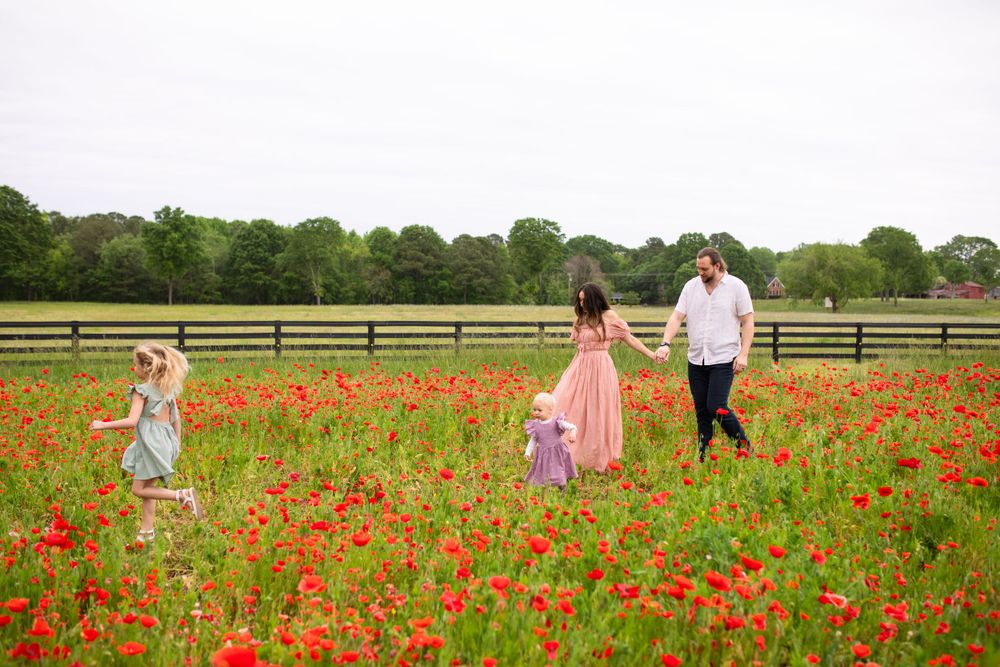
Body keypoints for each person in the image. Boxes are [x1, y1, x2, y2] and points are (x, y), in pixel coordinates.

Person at [90, 342, 203, 544]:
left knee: (138, 489)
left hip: (152, 445)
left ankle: (182, 495)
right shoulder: (167, 389)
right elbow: (176, 419)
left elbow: (132, 421)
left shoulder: (141, 391)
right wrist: (177, 444)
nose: (134, 368)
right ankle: (146, 532)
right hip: (167, 442)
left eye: (135, 364)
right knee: (148, 489)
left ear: (146, 367)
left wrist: (102, 424)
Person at [654, 247, 754, 462]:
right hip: (696, 358)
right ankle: (704, 456)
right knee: (702, 411)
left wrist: (743, 354)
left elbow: (747, 321)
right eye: (698, 268)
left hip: (724, 358)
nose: (700, 272)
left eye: (704, 269)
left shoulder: (736, 287)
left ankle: (745, 447)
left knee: (717, 406)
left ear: (717, 266)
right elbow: (676, 317)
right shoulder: (691, 287)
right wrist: (665, 343)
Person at [553, 283, 657, 472]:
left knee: (598, 410)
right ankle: (570, 453)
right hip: (580, 366)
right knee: (572, 405)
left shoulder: (609, 317)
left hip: (601, 368)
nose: (581, 304)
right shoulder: (581, 318)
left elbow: (630, 339)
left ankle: (597, 456)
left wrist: (651, 354)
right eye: (579, 300)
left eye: (585, 300)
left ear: (594, 299)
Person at [523, 392, 578, 490]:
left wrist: (573, 433)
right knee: (545, 472)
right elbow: (533, 440)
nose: (536, 412)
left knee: (558, 470)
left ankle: (562, 488)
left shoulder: (557, 422)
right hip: (543, 454)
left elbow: (572, 427)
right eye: (534, 410)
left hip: (557, 452)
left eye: (539, 410)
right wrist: (527, 452)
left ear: (550, 410)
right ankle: (546, 490)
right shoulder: (536, 425)